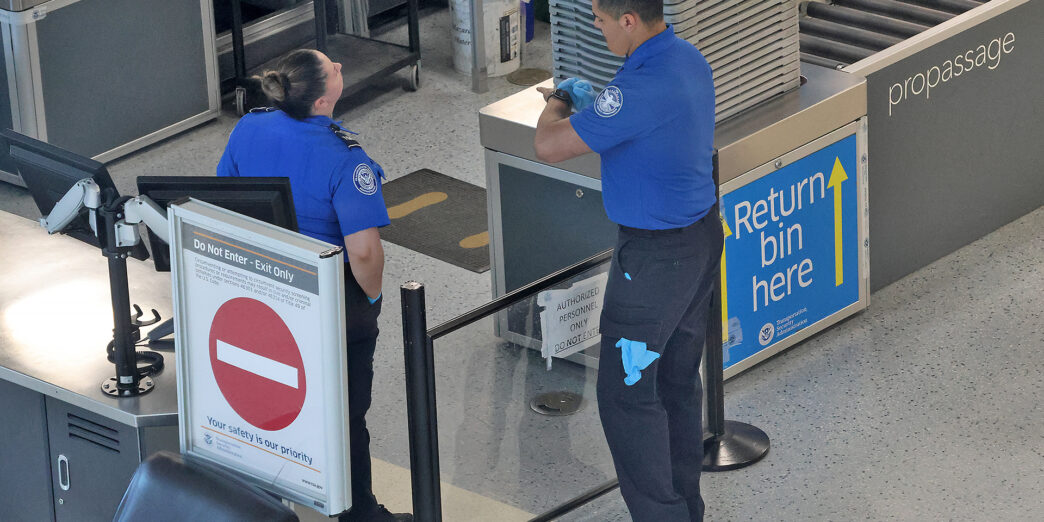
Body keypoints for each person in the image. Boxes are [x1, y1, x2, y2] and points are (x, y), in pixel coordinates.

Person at [533, 0, 721, 519]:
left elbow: (548, 145)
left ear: (629, 20)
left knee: (626, 397)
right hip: (699, 239)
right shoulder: (687, 59)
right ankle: (685, 508)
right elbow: (642, 126)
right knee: (676, 384)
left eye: (599, 19)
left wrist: (560, 100)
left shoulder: (636, 89)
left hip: (655, 262)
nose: (596, 27)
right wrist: (600, 109)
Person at [217, 49, 411, 522]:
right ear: (322, 102)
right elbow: (363, 253)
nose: (341, 66)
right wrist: (371, 298)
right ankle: (358, 513)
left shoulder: (249, 127)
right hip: (327, 298)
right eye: (333, 68)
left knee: (268, 388)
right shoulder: (345, 159)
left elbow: (224, 198)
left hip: (263, 284)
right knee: (346, 411)